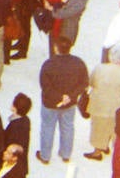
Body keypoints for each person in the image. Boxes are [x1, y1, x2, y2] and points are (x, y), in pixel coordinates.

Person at [36, 36, 87, 165]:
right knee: (68, 127)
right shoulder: (79, 63)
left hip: (50, 103)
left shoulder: (48, 64)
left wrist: (60, 97)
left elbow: (45, 86)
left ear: (55, 48)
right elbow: (84, 83)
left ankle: (45, 156)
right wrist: (70, 96)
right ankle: (66, 154)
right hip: (69, 103)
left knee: (48, 127)